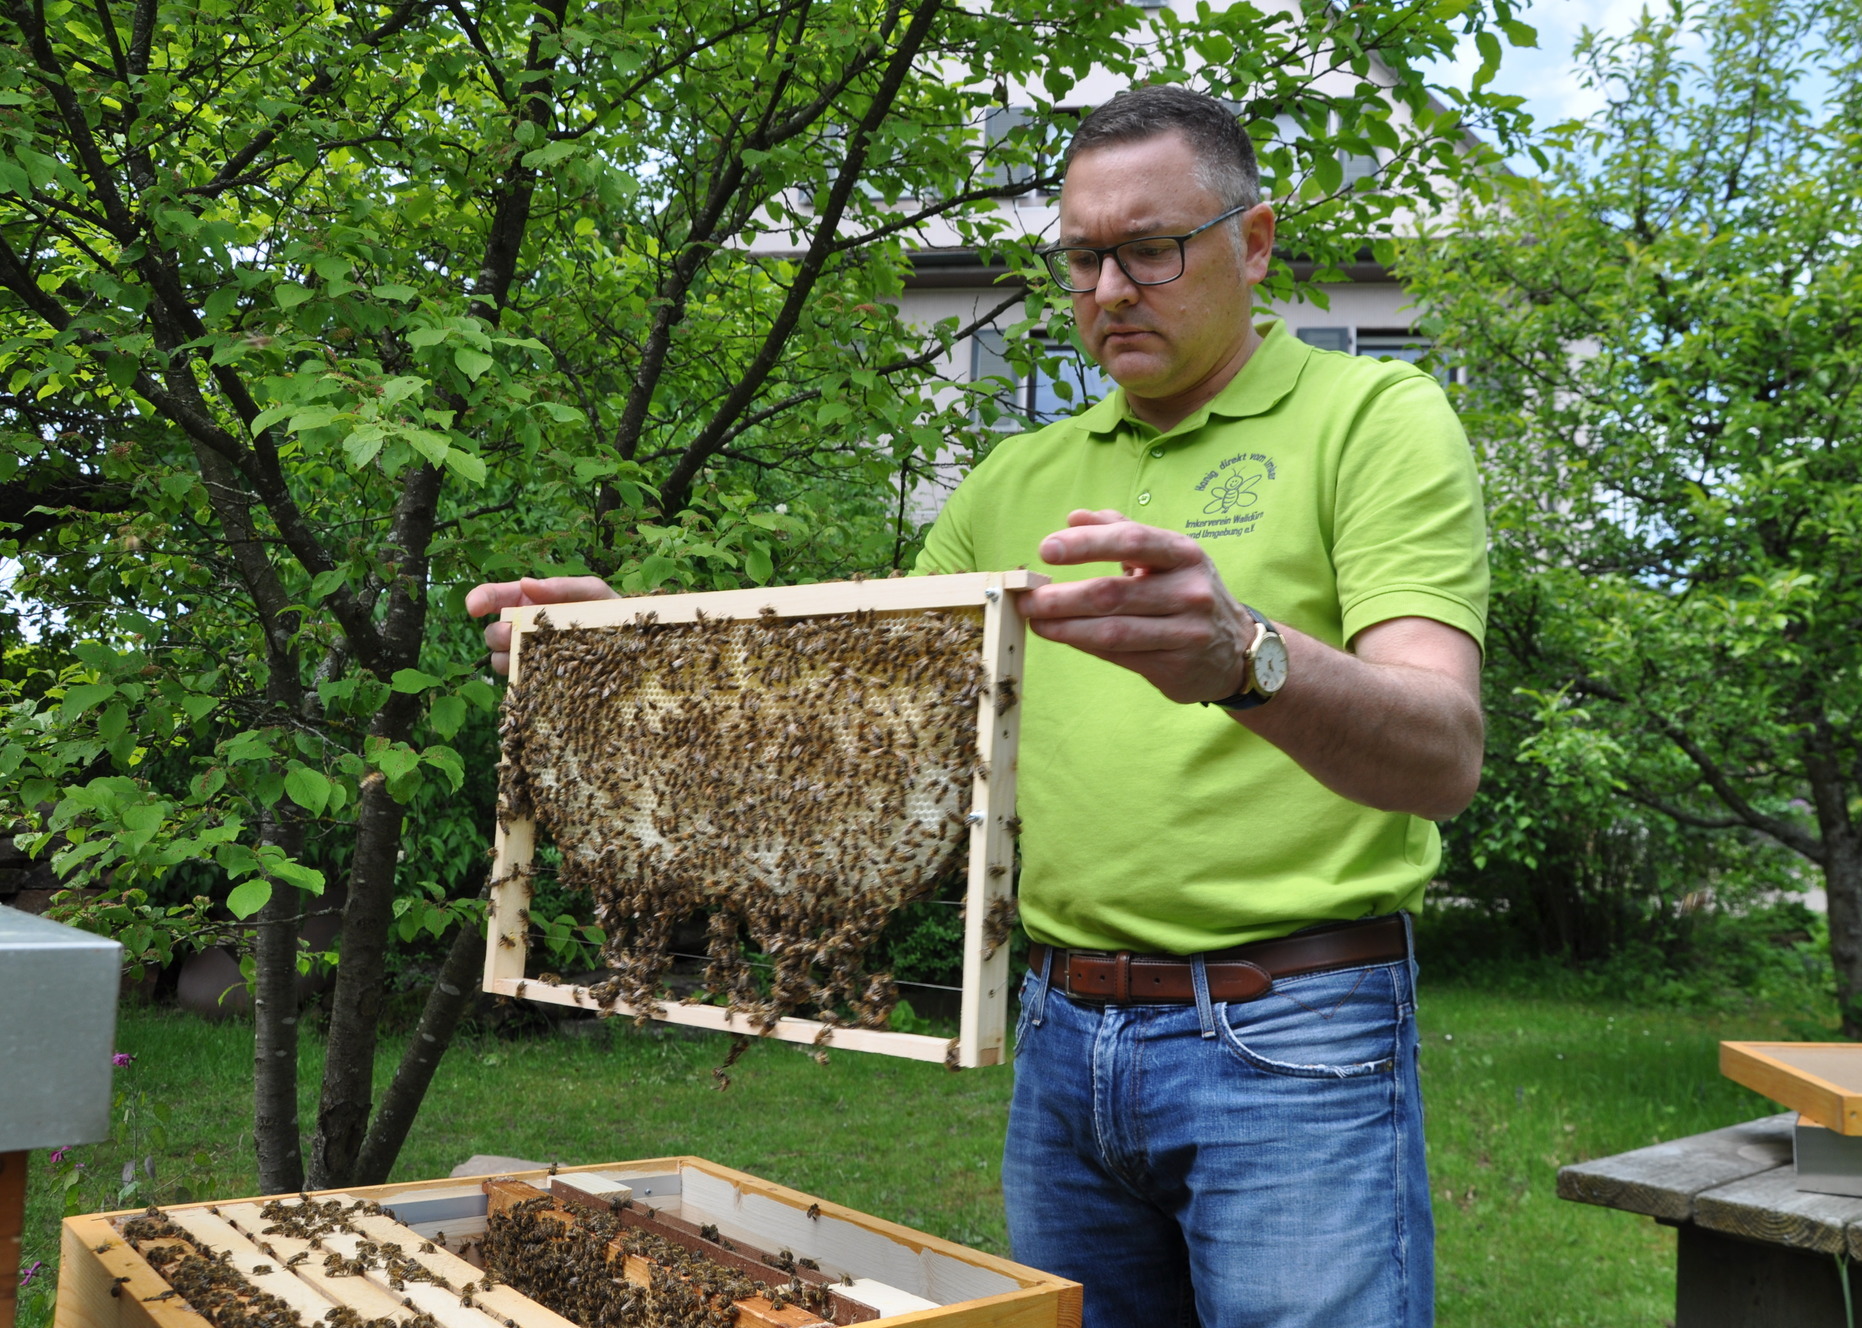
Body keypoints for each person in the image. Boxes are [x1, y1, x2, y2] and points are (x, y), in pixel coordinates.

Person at [469, 85, 1485, 1328]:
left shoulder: (1374, 420)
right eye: (1081, 256)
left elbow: (1440, 751)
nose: (1110, 289)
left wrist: (1243, 653)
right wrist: (618, 658)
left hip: (1291, 1039)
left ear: (1253, 241)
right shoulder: (1017, 477)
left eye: (1151, 248)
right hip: (1059, 1035)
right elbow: (842, 733)